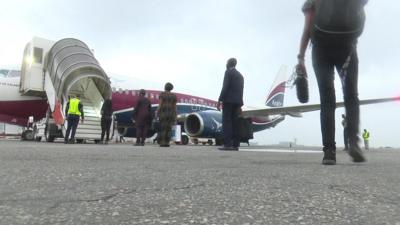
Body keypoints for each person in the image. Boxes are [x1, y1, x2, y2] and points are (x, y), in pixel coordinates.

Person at [298, 0, 367, 164]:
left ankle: (329, 151)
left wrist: (301, 57)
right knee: (351, 95)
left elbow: (308, 27)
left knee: (327, 98)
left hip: (321, 50)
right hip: (347, 48)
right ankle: (354, 143)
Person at [217, 58, 244, 151]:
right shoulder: (241, 76)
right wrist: (240, 104)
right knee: (235, 123)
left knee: (227, 122)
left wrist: (220, 100)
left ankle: (227, 144)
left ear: (229, 63)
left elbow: (225, 86)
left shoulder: (228, 72)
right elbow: (241, 91)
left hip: (228, 101)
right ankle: (235, 145)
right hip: (237, 102)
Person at [157, 82, 177, 147]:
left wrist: (157, 111)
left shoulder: (162, 94)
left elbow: (160, 104)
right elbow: (174, 107)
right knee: (168, 128)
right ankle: (167, 142)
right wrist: (175, 115)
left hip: (163, 113)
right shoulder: (174, 96)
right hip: (171, 114)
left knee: (163, 127)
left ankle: (162, 142)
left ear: (165, 87)